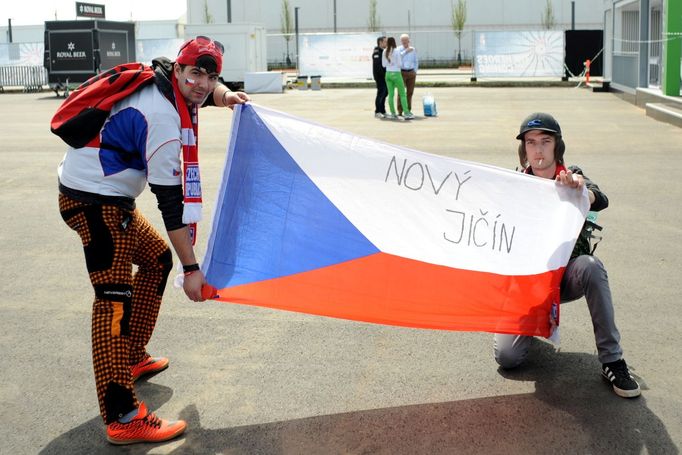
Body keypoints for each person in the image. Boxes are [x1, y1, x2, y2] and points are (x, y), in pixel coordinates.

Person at [56, 36, 250, 444]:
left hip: (102, 194)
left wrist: (227, 96)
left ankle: (131, 355)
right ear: (178, 70)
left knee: (156, 259)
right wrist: (193, 269)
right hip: (97, 204)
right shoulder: (163, 119)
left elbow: (203, 91)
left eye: (210, 76)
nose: (201, 84)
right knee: (112, 301)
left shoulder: (161, 77)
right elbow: (171, 206)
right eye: (195, 73)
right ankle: (123, 416)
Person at [493, 112, 641, 399]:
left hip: (567, 277)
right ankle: (529, 324)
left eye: (545, 141)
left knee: (591, 266)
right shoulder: (516, 184)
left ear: (556, 146)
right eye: (531, 142)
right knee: (507, 359)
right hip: (528, 284)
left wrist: (581, 188)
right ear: (524, 148)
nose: (538, 149)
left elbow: (600, 196)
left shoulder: (571, 176)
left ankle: (612, 360)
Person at [382, 37, 414, 120]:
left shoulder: (385, 51)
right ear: (394, 42)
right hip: (396, 74)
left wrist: (390, 63)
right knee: (402, 94)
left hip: (388, 74)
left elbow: (383, 65)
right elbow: (400, 64)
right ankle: (406, 113)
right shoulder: (396, 51)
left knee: (391, 95)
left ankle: (393, 113)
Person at [397, 33, 418, 117]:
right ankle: (400, 110)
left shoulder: (413, 50)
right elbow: (397, 59)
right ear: (401, 41)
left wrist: (415, 71)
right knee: (400, 92)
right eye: (403, 40)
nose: (404, 42)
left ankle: (408, 110)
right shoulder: (398, 49)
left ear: (409, 40)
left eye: (406, 40)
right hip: (401, 72)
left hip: (411, 73)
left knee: (410, 92)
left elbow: (416, 61)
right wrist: (405, 51)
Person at [372, 36, 388, 118]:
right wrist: (384, 75)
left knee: (385, 93)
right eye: (385, 41)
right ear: (380, 42)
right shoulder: (377, 52)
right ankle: (377, 111)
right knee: (381, 93)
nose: (387, 43)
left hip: (385, 77)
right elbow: (378, 67)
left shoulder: (384, 51)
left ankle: (383, 110)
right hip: (380, 77)